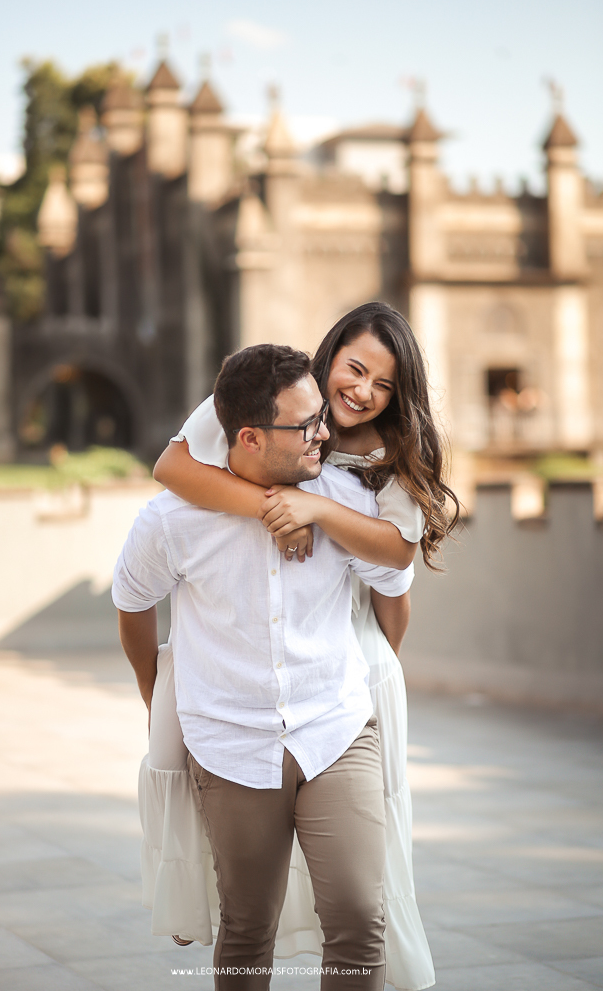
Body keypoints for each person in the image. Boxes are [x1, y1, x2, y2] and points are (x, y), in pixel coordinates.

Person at [147, 303, 459, 990]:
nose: (361, 392)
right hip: (272, 666)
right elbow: (172, 467)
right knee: (249, 903)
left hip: (356, 655)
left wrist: (315, 509)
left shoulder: (390, 447)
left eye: (382, 383)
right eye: (353, 368)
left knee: (361, 889)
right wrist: (272, 509)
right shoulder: (271, 392)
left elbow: (395, 566)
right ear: (329, 354)